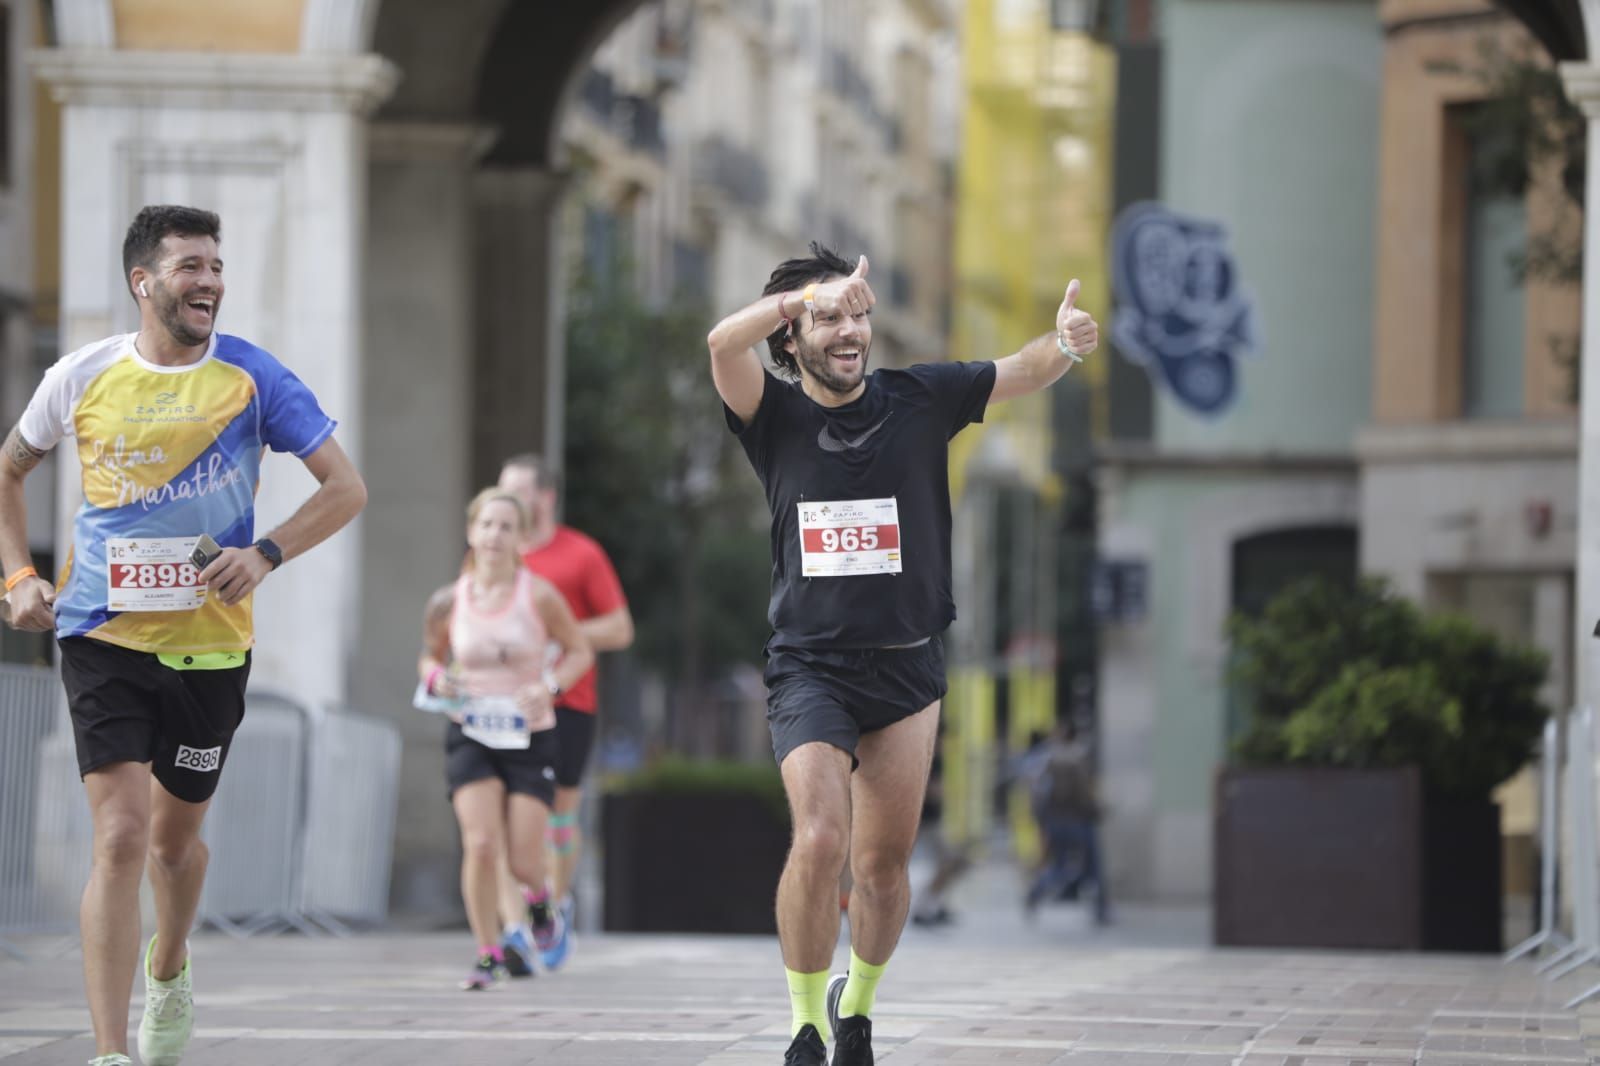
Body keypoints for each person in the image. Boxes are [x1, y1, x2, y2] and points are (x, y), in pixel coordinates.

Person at [705, 242, 1098, 1065]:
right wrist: (800, 295)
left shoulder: (920, 398)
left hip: (908, 667)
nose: (851, 331)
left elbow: (1018, 371)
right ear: (792, 338)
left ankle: (858, 1005)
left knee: (881, 870)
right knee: (819, 841)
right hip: (810, 666)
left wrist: (1061, 344)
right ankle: (806, 1025)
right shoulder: (770, 414)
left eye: (859, 315)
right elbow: (719, 345)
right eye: (830, 319)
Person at [0, 205, 367, 1066]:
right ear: (144, 281)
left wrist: (267, 553)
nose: (209, 282)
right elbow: (8, 470)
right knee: (121, 837)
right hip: (101, 635)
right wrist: (17, 578)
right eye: (190, 267)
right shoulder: (80, 375)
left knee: (173, 845)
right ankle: (107, 1051)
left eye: (215, 266)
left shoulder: (251, 376)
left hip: (210, 645)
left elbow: (345, 489)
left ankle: (169, 965)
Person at [417, 487, 594, 990]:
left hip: (529, 737)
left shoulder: (538, 595)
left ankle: (540, 905)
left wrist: (549, 686)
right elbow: (429, 656)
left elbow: (579, 651)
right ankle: (488, 953)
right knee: (480, 842)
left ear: (521, 540)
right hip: (470, 733)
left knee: (523, 860)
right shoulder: (449, 600)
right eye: (487, 525)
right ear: (471, 531)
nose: (495, 535)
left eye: (506, 527)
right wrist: (436, 679)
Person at [494, 454, 633, 971]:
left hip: (568, 702)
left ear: (546, 498)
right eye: (502, 490)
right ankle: (517, 930)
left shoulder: (581, 554)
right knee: (508, 815)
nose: (508, 500)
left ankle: (555, 903)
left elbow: (619, 629)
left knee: (557, 815)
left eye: (519, 491)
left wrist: (558, 632)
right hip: (503, 706)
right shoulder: (495, 554)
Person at [1025, 719, 1109, 925]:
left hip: (1055, 818)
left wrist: (1041, 818)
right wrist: (1095, 810)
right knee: (1093, 866)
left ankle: (1036, 892)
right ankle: (1101, 910)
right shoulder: (1078, 758)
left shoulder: (1048, 759)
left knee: (1059, 865)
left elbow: (1038, 792)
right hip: (1079, 819)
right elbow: (1083, 792)